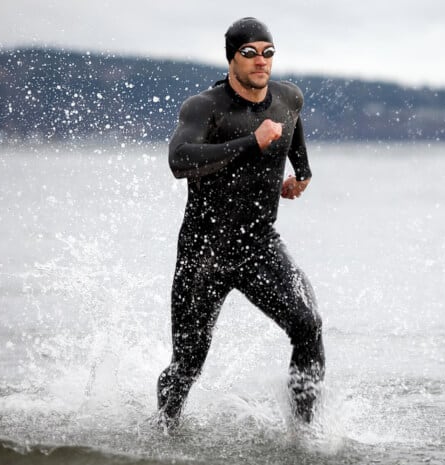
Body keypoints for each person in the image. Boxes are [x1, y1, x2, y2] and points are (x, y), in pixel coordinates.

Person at [155, 17, 325, 431]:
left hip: (259, 245)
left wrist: (300, 173)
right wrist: (253, 142)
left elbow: (291, 128)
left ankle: (305, 435)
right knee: (188, 363)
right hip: (204, 251)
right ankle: (163, 431)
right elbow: (180, 161)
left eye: (268, 52)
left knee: (308, 326)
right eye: (250, 53)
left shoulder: (288, 98)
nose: (261, 61)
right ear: (232, 57)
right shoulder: (205, 107)